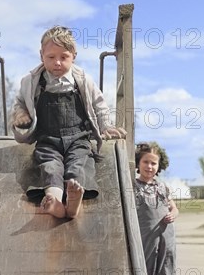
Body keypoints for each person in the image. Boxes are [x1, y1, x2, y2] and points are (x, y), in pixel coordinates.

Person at [11, 25, 126, 219]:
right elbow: (19, 102)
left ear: (74, 56)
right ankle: (54, 201)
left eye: (63, 57)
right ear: (41, 56)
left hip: (78, 137)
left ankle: (73, 202)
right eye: (51, 57)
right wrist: (21, 114)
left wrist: (105, 125)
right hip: (47, 139)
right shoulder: (31, 81)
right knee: (49, 166)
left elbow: (99, 104)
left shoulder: (82, 80)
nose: (57, 63)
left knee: (79, 163)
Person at [134, 142, 179, 275]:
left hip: (167, 238)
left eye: (154, 163)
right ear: (138, 163)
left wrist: (174, 213)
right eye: (146, 162)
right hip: (146, 238)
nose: (149, 167)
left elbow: (174, 207)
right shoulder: (132, 185)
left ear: (159, 166)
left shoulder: (162, 186)